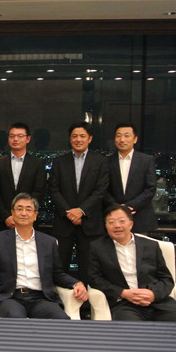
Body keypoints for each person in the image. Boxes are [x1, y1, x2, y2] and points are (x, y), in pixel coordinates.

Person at [0, 193, 88, 319]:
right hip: (11, 297)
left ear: (35, 215)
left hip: (40, 298)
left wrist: (77, 283)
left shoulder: (48, 242)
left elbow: (57, 274)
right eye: (19, 209)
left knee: (60, 319)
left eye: (28, 210)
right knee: (16, 318)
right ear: (12, 213)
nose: (24, 213)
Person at [88, 205, 176, 321]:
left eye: (122, 221)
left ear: (131, 224)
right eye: (111, 222)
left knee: (175, 325)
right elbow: (95, 279)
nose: (117, 225)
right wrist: (123, 293)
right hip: (125, 305)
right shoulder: (98, 248)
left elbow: (166, 279)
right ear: (106, 226)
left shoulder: (151, 246)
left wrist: (152, 294)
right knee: (132, 329)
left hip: (158, 303)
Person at [48, 121, 109, 283]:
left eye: (82, 136)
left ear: (90, 138)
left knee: (90, 270)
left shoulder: (100, 161)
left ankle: (87, 299)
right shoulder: (59, 162)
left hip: (89, 223)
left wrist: (81, 211)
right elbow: (54, 190)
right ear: (70, 139)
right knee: (59, 268)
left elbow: (100, 191)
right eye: (74, 136)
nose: (78, 139)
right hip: (64, 222)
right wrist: (70, 212)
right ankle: (60, 298)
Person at [0, 122, 46, 231]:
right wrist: (6, 216)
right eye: (12, 136)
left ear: (28, 139)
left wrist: (25, 214)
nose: (15, 139)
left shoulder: (37, 163)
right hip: (4, 221)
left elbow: (39, 191)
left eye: (20, 136)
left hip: (28, 220)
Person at [104, 123, 157, 234]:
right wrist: (117, 208)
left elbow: (150, 188)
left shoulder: (146, 160)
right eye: (118, 136)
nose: (122, 139)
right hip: (114, 218)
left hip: (140, 217)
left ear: (135, 139)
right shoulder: (106, 161)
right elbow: (103, 188)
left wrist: (129, 206)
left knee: (141, 245)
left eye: (126, 135)